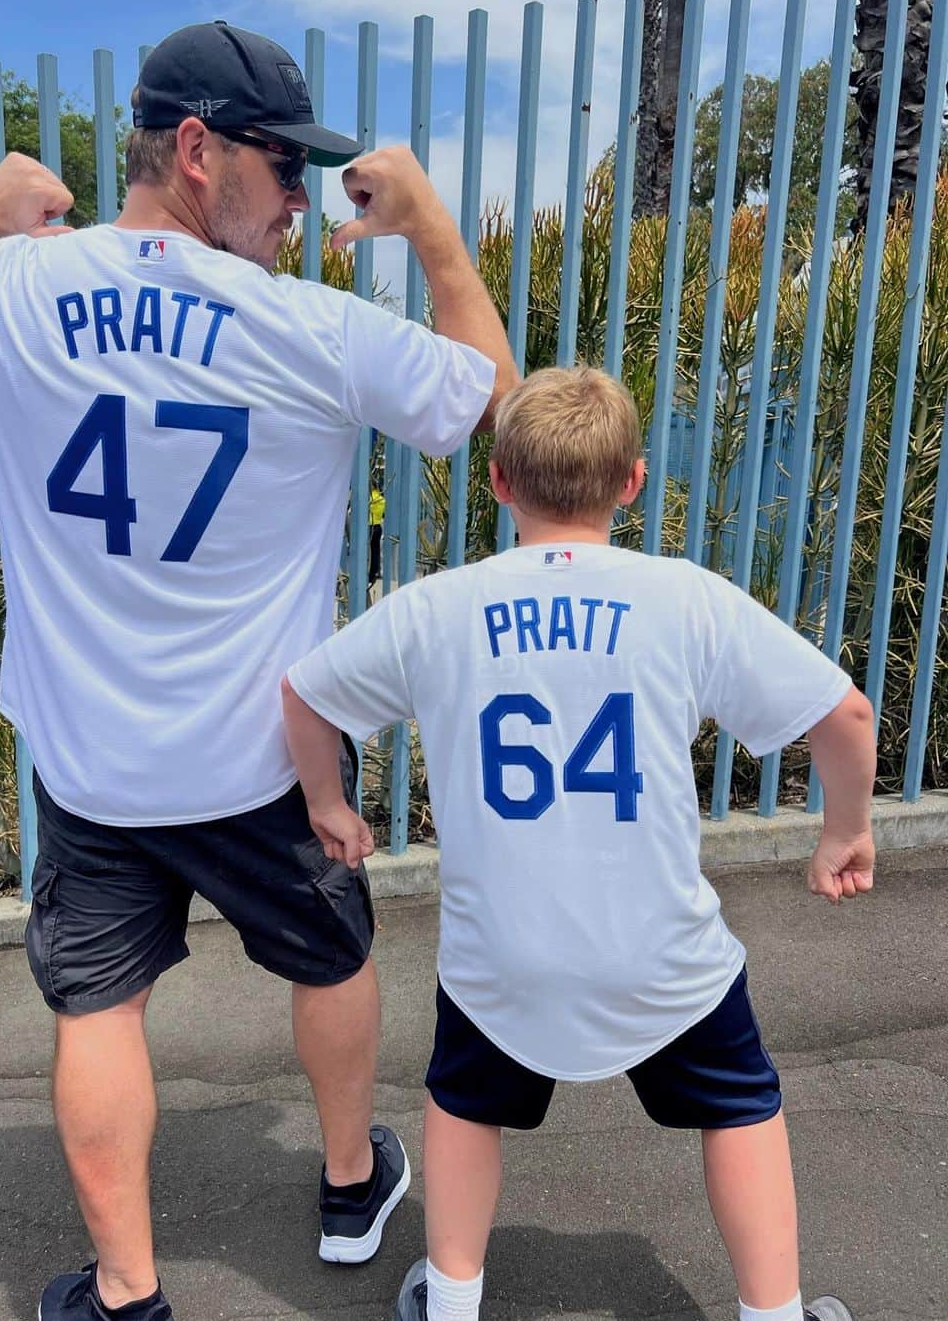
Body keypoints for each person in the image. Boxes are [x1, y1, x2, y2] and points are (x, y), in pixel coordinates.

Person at [0, 20, 516, 1321]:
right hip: (267, 759)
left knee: (98, 1008)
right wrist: (434, 231)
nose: (296, 204)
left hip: (95, 763)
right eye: (284, 171)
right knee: (328, 960)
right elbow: (498, 400)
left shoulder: (7, 288)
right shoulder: (313, 329)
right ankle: (348, 1188)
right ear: (199, 149)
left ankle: (126, 1294)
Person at [281, 366, 877, 1321]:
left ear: (501, 482)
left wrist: (330, 806)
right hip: (660, 952)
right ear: (633, 481)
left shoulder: (440, 606)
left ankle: (454, 1301)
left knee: (466, 1102)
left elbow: (306, 694)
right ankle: (774, 1313)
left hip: (502, 957)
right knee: (739, 1106)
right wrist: (844, 830)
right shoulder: (681, 597)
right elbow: (846, 713)